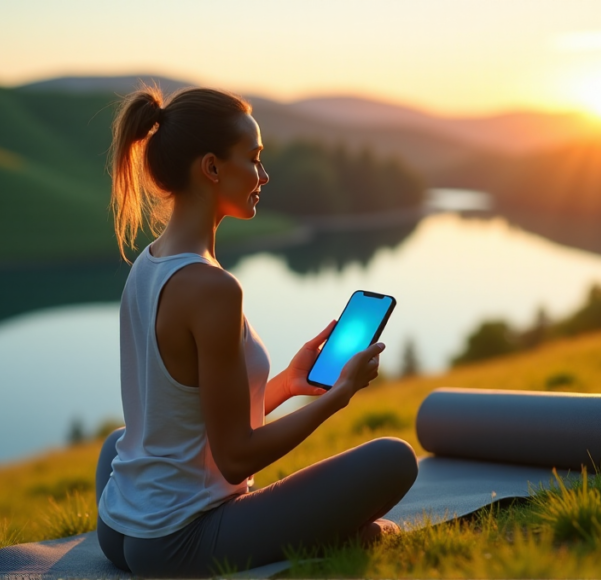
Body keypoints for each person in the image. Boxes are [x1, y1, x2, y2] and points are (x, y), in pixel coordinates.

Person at [93, 85, 418, 578]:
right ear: (212, 168)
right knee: (394, 460)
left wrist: (289, 383)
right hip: (180, 541)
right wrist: (338, 395)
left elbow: (190, 414)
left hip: (120, 527)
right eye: (255, 158)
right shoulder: (211, 287)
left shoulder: (150, 263)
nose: (264, 175)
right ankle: (331, 538)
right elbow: (234, 457)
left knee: (122, 439)